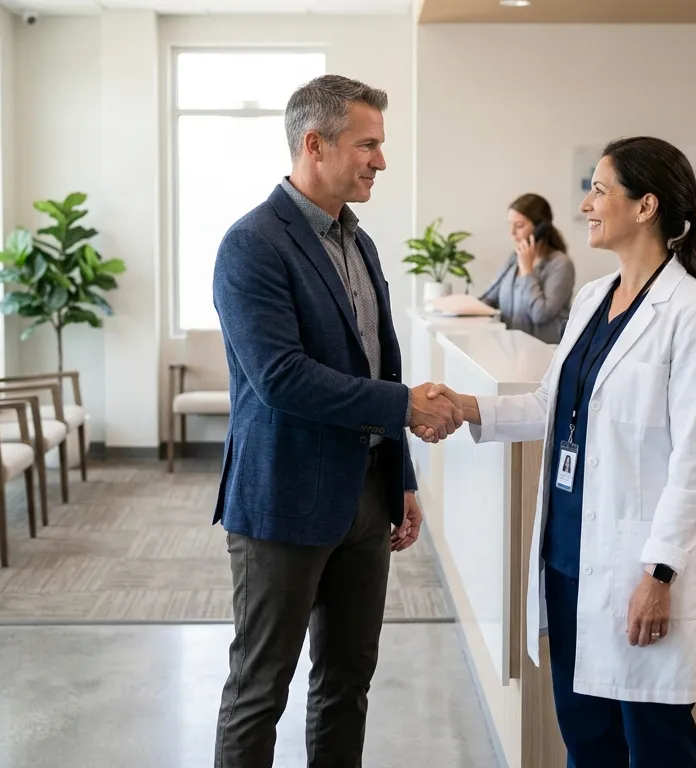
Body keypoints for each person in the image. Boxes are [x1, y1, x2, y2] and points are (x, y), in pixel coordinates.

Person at [417, 136, 696, 767]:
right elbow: (551, 404)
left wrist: (659, 575)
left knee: (656, 746)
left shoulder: (693, 314)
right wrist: (467, 406)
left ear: (645, 206)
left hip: (636, 566)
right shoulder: (593, 297)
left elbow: (695, 468)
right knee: (587, 742)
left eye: (598, 189)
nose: (585, 204)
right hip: (568, 558)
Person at [210, 74, 463, 768]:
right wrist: (404, 405)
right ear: (315, 144)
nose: (380, 160)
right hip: (284, 499)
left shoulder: (360, 242)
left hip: (367, 496)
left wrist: (400, 478)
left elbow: (377, 362)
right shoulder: (252, 244)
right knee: (260, 690)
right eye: (367, 144)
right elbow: (281, 377)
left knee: (347, 684)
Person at [478, 193, 576, 344]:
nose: (512, 233)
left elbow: (540, 314)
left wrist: (527, 270)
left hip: (543, 351)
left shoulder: (560, 264)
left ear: (541, 228)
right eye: (510, 225)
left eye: (519, 226)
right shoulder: (514, 259)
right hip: (511, 349)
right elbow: (490, 298)